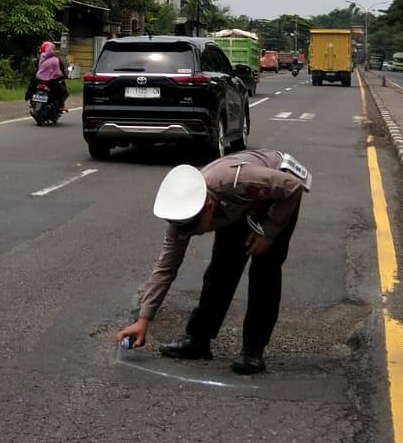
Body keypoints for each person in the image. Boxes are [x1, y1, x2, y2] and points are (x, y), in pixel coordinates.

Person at [115, 149, 311, 375]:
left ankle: (253, 351)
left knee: (264, 271)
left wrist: (268, 231)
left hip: (276, 197)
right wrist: (143, 319)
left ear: (208, 206)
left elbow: (292, 188)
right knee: (221, 269)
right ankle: (198, 341)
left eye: (196, 229)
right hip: (236, 205)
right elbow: (166, 268)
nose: (192, 234)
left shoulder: (237, 181)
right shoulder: (182, 218)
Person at [26, 40, 68, 112]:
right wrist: (64, 75)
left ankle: (32, 102)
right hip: (52, 81)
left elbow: (36, 68)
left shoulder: (41, 57)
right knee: (63, 92)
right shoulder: (56, 59)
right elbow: (61, 69)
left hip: (39, 80)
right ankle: (61, 106)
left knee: (31, 87)